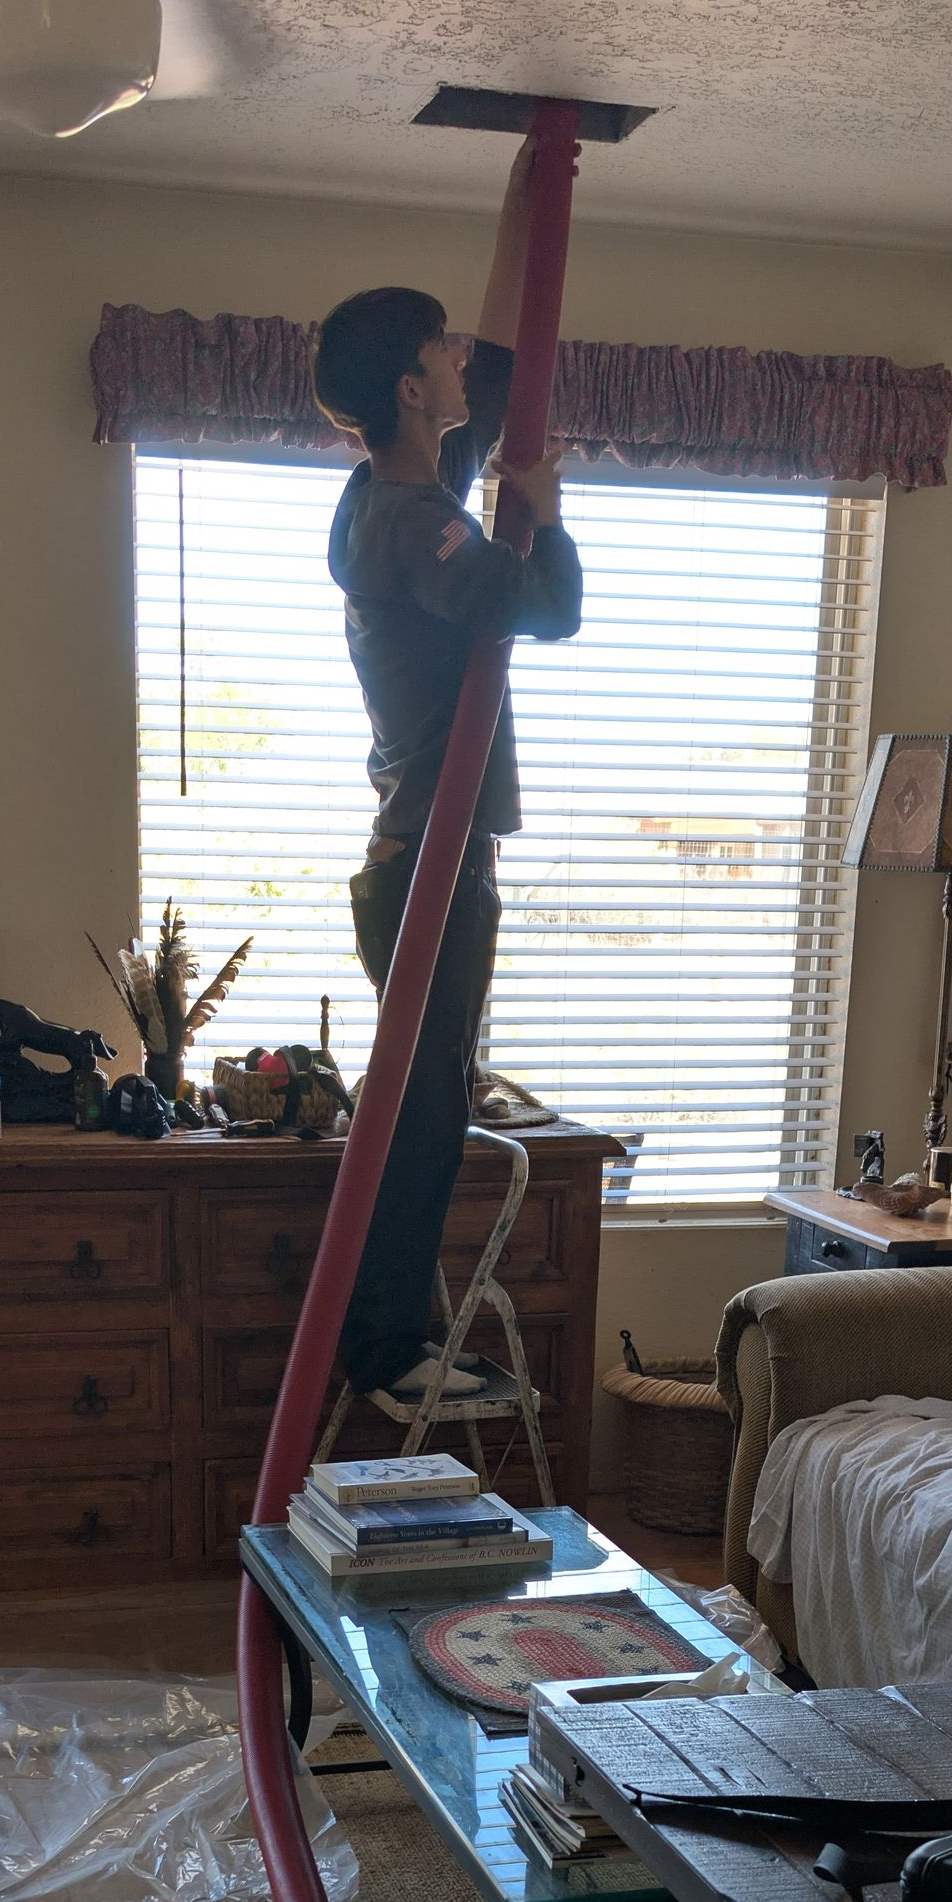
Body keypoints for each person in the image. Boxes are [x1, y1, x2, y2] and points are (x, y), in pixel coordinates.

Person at [311, 138, 584, 1399]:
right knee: (421, 1112)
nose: (457, 360)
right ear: (409, 389)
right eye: (438, 351)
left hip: (423, 848)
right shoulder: (414, 525)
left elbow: (506, 358)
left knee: (422, 1097)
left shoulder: (403, 491)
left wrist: (526, 199)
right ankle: (390, 1349)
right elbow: (539, 606)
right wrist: (555, 506)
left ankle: (392, 1340)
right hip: (428, 854)